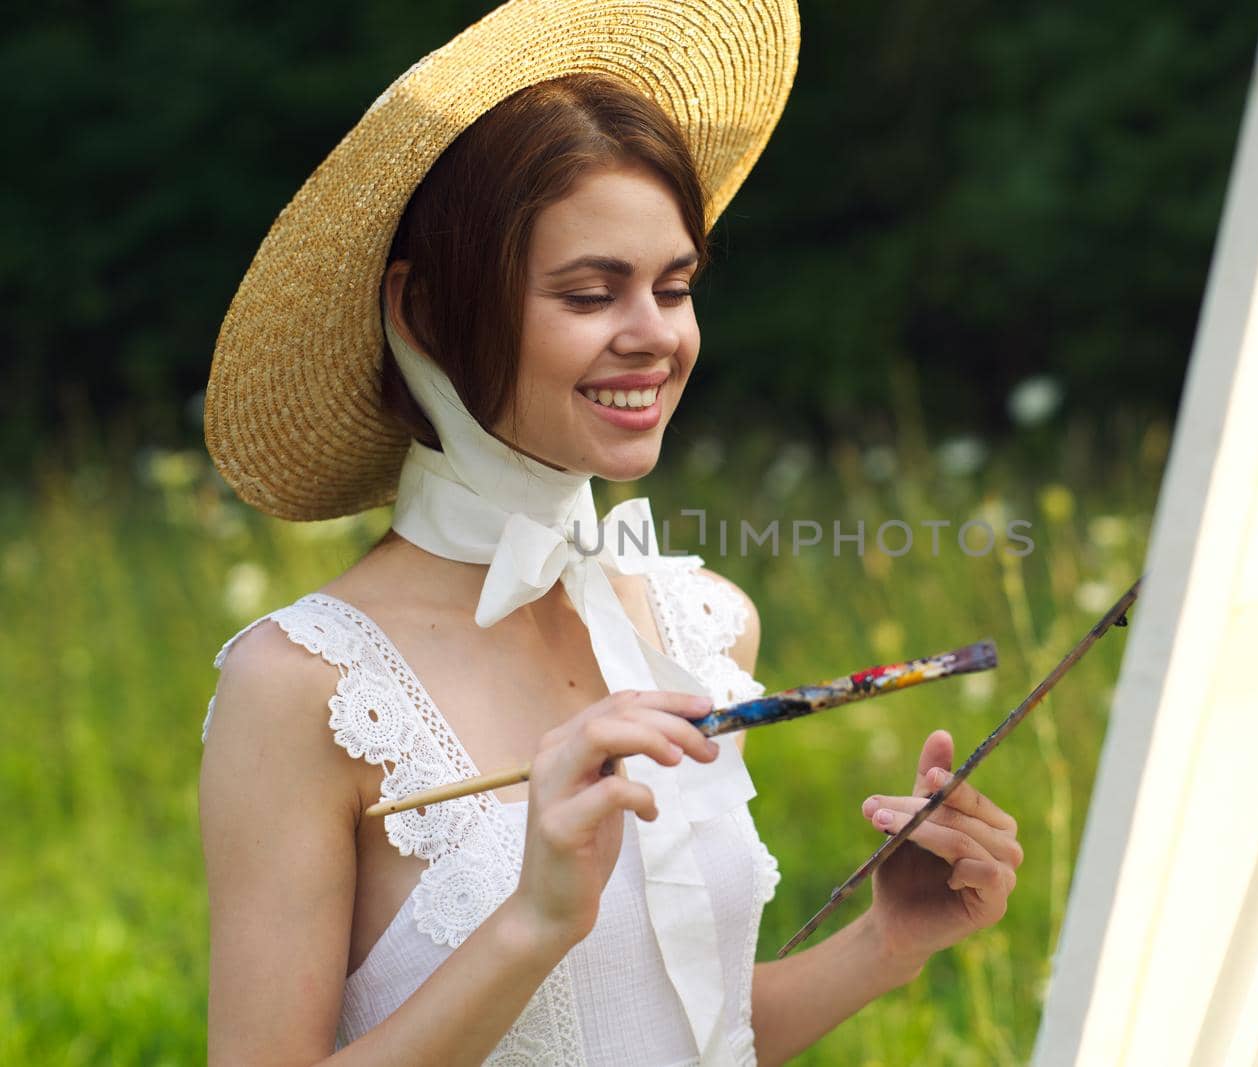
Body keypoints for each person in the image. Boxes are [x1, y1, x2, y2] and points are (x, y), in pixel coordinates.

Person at [197, 3, 1022, 1064]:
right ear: (428, 317)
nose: (654, 337)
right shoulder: (305, 684)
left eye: (674, 288)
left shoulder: (703, 625)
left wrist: (887, 941)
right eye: (592, 293)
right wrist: (530, 925)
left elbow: (686, 1029)